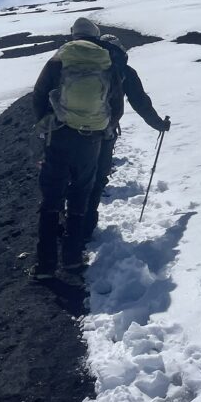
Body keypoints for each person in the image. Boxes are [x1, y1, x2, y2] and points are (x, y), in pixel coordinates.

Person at [30, 17, 123, 279]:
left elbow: (39, 94)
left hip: (59, 135)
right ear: (95, 34)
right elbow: (116, 104)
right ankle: (72, 259)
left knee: (51, 199)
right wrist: (104, 127)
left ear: (73, 35)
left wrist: (45, 122)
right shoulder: (106, 59)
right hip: (91, 139)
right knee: (80, 195)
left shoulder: (60, 57)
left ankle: (45, 265)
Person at [83, 33, 170, 240]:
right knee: (96, 179)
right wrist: (158, 124)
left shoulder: (85, 66)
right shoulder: (125, 71)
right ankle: (85, 228)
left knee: (76, 178)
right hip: (105, 131)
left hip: (72, 130)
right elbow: (140, 101)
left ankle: (67, 223)